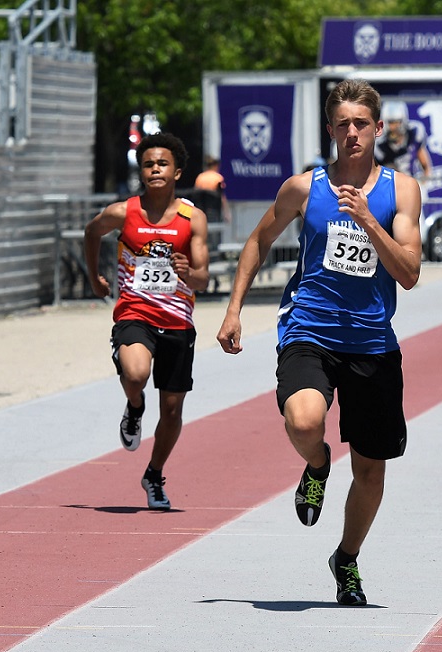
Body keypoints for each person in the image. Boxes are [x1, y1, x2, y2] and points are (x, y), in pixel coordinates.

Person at [215, 78, 422, 607]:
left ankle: (346, 559)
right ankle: (316, 464)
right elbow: (259, 240)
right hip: (309, 329)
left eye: (361, 124)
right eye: (342, 124)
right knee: (304, 421)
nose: (352, 133)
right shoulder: (304, 188)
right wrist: (234, 308)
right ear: (330, 130)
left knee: (372, 468)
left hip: (373, 342)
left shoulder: (401, 191)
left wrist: (370, 221)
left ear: (377, 128)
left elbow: (409, 272)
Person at [84, 132, 210, 511]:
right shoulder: (124, 212)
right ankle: (134, 406)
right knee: (135, 374)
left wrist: (189, 272)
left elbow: (203, 279)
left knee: (172, 409)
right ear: (142, 171)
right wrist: (95, 278)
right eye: (149, 164)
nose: (155, 169)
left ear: (177, 172)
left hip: (176, 320)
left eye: (162, 164)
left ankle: (154, 473)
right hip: (134, 311)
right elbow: (92, 232)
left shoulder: (193, 218)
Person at [374, 99, 432, 180]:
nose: (393, 127)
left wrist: (424, 183)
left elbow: (425, 165)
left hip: (411, 182)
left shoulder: (414, 133)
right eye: (390, 122)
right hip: (391, 186)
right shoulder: (379, 145)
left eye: (397, 122)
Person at [192, 155, 230, 224]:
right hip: (213, 209)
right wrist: (226, 212)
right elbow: (222, 196)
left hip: (200, 209)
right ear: (215, 166)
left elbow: (195, 194)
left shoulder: (200, 177)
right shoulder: (218, 178)